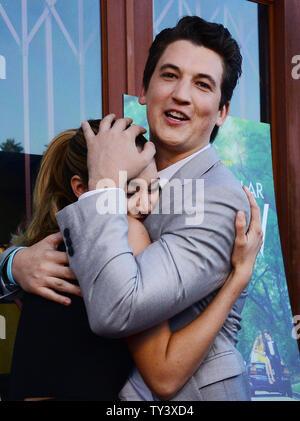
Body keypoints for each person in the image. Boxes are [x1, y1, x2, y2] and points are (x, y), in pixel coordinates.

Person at [1, 17, 264, 400]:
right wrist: (15, 263)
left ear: (222, 111)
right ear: (144, 90)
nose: (181, 95)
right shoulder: (130, 165)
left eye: (202, 84)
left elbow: (118, 310)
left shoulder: (218, 199)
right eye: (170, 75)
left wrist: (105, 185)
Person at [8, 121, 261, 401]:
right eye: (129, 191)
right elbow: (165, 376)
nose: (145, 205)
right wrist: (238, 277)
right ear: (82, 188)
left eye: (152, 189)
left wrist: (12, 262)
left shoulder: (54, 243)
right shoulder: (129, 232)